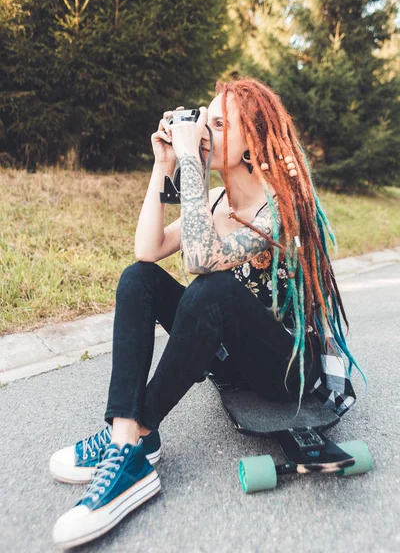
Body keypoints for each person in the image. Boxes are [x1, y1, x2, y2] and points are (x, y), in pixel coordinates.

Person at [49, 77, 361, 548]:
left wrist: (192, 162)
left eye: (218, 124)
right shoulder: (215, 202)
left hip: (286, 368)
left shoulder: (278, 209)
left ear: (252, 141)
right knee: (138, 280)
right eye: (204, 120)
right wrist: (164, 166)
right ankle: (126, 437)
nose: (204, 132)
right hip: (232, 356)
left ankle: (132, 444)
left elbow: (200, 260)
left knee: (210, 290)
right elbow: (147, 249)